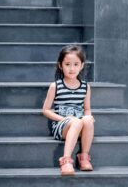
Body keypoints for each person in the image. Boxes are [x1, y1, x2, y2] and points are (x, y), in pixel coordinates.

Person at [42, 45, 95, 176]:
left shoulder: (85, 86)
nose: (72, 68)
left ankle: (84, 157)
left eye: (76, 64)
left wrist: (89, 117)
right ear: (60, 65)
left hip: (79, 124)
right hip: (62, 125)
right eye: (67, 64)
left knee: (87, 120)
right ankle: (66, 160)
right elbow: (46, 110)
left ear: (81, 66)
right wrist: (65, 119)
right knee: (76, 122)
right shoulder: (56, 86)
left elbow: (87, 108)